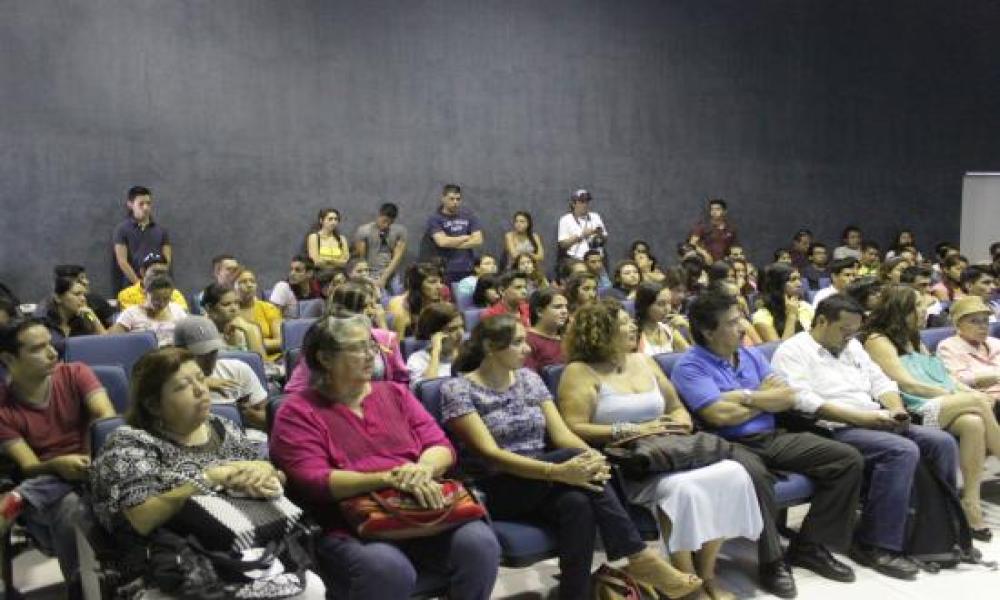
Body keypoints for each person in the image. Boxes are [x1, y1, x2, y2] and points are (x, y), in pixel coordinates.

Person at [441, 315, 701, 599]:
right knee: (573, 458)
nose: (527, 349)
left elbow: (562, 434)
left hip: (545, 481)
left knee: (578, 503)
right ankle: (637, 555)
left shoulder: (529, 379)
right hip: (497, 486)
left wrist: (594, 459)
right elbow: (492, 455)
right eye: (517, 343)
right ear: (491, 347)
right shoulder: (458, 389)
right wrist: (559, 471)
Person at [269, 314, 500, 599]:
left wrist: (423, 469)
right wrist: (389, 478)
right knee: (387, 568)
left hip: (422, 505)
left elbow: (441, 446)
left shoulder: (395, 393)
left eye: (371, 345)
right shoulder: (297, 411)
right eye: (358, 348)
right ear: (325, 358)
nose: (371, 354)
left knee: (479, 544)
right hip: (350, 523)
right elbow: (314, 481)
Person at [559, 301, 763, 600]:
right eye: (624, 322)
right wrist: (629, 430)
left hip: (670, 450)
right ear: (599, 332)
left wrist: (679, 421)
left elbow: (676, 406)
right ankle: (685, 581)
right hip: (630, 462)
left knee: (733, 473)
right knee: (683, 490)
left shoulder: (644, 361)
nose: (633, 326)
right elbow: (574, 427)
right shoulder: (579, 372)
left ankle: (707, 573)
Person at [673, 292, 865, 597]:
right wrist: (764, 396)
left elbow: (788, 396)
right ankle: (772, 562)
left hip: (770, 436)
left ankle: (810, 546)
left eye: (741, 319)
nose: (742, 327)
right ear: (708, 331)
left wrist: (745, 397)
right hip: (727, 443)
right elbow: (719, 416)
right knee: (754, 476)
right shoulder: (690, 366)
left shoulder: (749, 355)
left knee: (847, 459)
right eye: (732, 323)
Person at [771, 295, 959, 577]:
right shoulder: (792, 351)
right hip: (830, 427)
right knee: (901, 450)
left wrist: (896, 409)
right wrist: (862, 419)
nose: (849, 336)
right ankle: (877, 544)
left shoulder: (853, 346)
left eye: (854, 331)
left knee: (940, 442)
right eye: (844, 330)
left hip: (873, 419)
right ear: (821, 321)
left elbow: (881, 382)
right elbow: (803, 401)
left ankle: (936, 534)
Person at [89, 348, 286, 590]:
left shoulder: (223, 427)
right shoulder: (129, 443)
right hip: (173, 567)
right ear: (153, 405)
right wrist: (209, 478)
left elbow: (271, 475)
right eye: (183, 386)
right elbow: (141, 518)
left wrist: (265, 471)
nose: (200, 390)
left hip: (246, 550)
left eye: (201, 379)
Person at [861, 284, 1000, 537]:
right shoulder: (878, 340)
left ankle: (971, 503)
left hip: (937, 401)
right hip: (910, 406)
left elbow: (945, 376)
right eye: (918, 305)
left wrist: (964, 392)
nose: (925, 309)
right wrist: (959, 396)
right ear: (899, 308)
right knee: (977, 403)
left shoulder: (914, 338)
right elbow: (906, 384)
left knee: (973, 422)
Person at [0, 318, 116, 593]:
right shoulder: (4, 407)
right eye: (37, 349)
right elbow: (29, 465)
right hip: (50, 487)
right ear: (8, 359)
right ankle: (82, 588)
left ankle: (21, 496)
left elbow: (106, 417)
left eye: (51, 344)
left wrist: (88, 455)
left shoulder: (76, 373)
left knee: (67, 497)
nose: (53, 353)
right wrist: (59, 465)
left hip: (94, 465)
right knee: (71, 508)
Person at [285, 282, 408, 393]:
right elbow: (295, 389)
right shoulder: (323, 342)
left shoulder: (386, 339)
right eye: (367, 306)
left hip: (380, 404)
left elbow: (402, 381)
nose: (374, 311)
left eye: (374, 304)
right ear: (348, 311)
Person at [172, 316, 269, 429]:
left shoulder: (238, 369)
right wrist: (202, 382)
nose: (210, 359)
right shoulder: (169, 380)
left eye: (214, 351)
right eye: (201, 354)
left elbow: (267, 417)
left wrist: (248, 415)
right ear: (179, 352)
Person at [938, 296, 1000, 402]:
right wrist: (994, 376)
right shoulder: (948, 346)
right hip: (982, 400)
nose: (983, 326)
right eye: (974, 321)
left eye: (985, 320)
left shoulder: (995, 342)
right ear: (957, 325)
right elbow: (959, 379)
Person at [420, 184, 484, 283]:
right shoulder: (435, 219)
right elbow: (442, 242)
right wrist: (465, 237)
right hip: (446, 269)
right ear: (443, 199)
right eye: (451, 199)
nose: (455, 202)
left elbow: (478, 240)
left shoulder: (468, 215)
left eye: (458, 199)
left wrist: (452, 243)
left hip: (467, 268)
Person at [112, 185, 170, 290]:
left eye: (148, 203)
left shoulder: (161, 231)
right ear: (130, 205)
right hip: (132, 287)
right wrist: (140, 285)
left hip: (158, 286)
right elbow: (122, 261)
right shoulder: (122, 230)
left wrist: (158, 281)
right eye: (141, 204)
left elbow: (167, 259)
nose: (146, 207)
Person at [110, 275, 187, 346]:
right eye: (156, 299)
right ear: (145, 293)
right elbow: (113, 340)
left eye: (166, 299)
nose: (162, 304)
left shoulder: (177, 310)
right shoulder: (131, 313)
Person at [40, 275, 107, 356]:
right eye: (77, 294)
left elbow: (105, 344)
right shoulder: (43, 324)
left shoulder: (82, 322)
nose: (83, 299)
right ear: (58, 298)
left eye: (84, 295)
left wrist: (93, 317)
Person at [200, 283, 267, 357]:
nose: (234, 309)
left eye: (237, 303)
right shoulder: (200, 333)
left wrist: (249, 331)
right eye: (226, 304)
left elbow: (261, 362)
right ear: (209, 308)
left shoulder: (249, 328)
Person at [407, 302, 464, 388]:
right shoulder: (417, 360)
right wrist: (436, 351)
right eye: (452, 329)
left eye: (462, 326)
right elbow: (427, 389)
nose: (460, 333)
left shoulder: (466, 353)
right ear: (434, 335)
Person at [753, 263, 812, 342]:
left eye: (799, 279)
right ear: (777, 284)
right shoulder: (762, 316)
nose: (799, 284)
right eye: (793, 280)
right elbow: (779, 349)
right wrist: (791, 316)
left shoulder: (805, 306)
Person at [354, 202, 408, 289]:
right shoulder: (364, 231)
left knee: (398, 291)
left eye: (390, 223)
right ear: (379, 215)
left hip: (390, 273)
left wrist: (384, 277)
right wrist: (369, 279)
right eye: (384, 221)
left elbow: (397, 257)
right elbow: (361, 259)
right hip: (369, 273)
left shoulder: (400, 231)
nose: (386, 225)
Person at [233, 269, 283, 361]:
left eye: (252, 281)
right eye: (243, 282)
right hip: (239, 361)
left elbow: (281, 342)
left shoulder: (268, 308)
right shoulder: (229, 311)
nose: (249, 285)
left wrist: (253, 343)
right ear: (233, 287)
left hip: (272, 360)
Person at [388, 262, 446, 338]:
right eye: (432, 282)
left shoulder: (439, 302)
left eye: (441, 282)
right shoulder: (400, 306)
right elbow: (398, 343)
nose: (440, 287)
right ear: (417, 285)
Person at [116, 252, 190, 311]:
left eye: (163, 273)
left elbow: (183, 316)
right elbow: (131, 318)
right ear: (142, 272)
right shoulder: (126, 295)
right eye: (156, 272)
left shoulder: (175, 294)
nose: (160, 277)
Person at [635, 281, 690, 355]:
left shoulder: (668, 330)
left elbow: (692, 356)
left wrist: (688, 328)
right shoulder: (634, 333)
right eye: (661, 304)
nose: (667, 309)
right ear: (645, 306)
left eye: (669, 303)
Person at [557, 189, 608, 263]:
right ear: (573, 204)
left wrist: (600, 235)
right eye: (581, 202)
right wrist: (581, 235)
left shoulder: (595, 216)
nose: (585, 205)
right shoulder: (565, 219)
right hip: (576, 259)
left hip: (597, 258)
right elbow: (563, 245)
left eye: (587, 202)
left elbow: (605, 238)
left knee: (600, 269)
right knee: (582, 270)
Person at [525, 288, 568, 373]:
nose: (564, 311)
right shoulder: (528, 340)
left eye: (566, 306)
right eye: (557, 307)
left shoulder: (566, 338)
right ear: (540, 311)